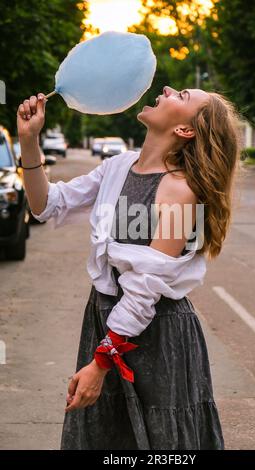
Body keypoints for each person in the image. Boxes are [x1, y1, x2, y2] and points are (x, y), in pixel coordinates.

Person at [17, 86, 242, 450]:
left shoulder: (181, 190)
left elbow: (144, 290)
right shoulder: (118, 166)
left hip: (155, 332)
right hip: (107, 320)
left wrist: (101, 363)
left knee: (162, 443)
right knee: (105, 435)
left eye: (181, 95)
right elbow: (47, 205)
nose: (167, 89)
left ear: (185, 130)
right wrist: (30, 141)